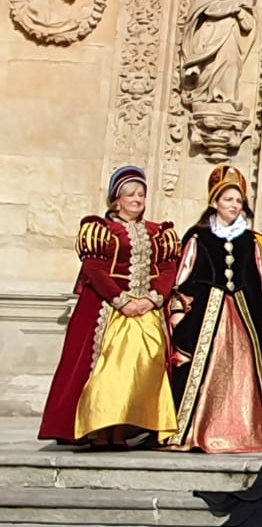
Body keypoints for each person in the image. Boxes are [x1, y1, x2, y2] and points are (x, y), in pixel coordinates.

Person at [39, 167, 181, 449]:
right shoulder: (100, 230)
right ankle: (100, 430)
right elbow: (95, 270)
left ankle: (124, 430)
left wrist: (153, 299)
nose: (137, 199)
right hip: (107, 309)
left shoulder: (158, 233)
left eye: (141, 194)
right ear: (116, 199)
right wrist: (122, 300)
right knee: (107, 371)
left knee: (143, 369)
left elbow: (167, 269)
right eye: (131, 194)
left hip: (146, 310)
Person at [168, 166, 262, 454]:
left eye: (238, 201)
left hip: (241, 314)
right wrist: (178, 309)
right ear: (214, 202)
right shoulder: (198, 237)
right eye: (228, 200)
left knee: (240, 372)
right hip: (205, 313)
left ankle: (241, 431)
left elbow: (258, 279)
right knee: (204, 370)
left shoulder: (251, 240)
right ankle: (197, 430)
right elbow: (182, 276)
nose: (234, 206)